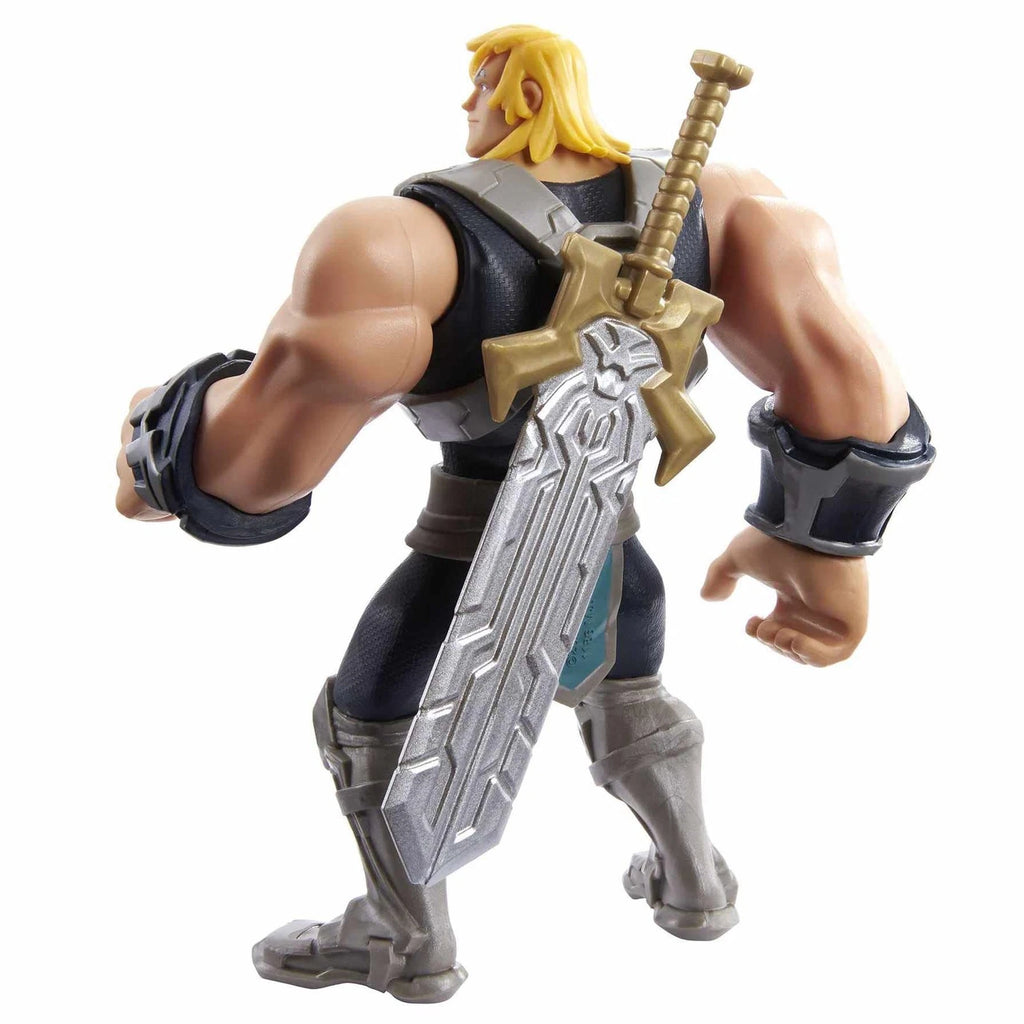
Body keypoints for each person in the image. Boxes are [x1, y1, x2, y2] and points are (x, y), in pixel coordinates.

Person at [116, 24, 933, 1004]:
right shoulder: (721, 209)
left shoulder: (397, 245)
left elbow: (254, 473)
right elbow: (841, 371)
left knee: (367, 717)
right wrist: (821, 542)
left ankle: (403, 938)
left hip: (470, 564)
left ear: (528, 98)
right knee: (631, 696)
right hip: (613, 551)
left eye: (481, 87)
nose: (468, 107)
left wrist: (161, 433)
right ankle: (695, 882)